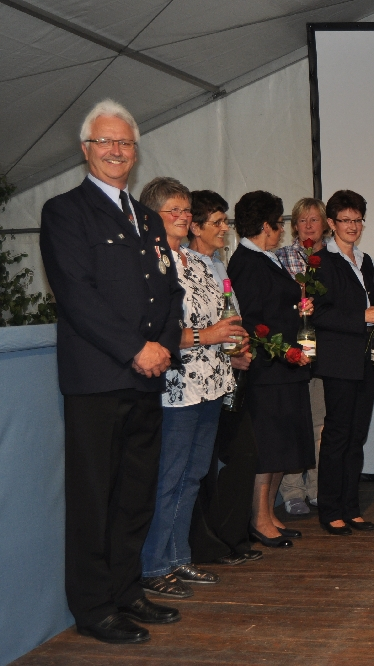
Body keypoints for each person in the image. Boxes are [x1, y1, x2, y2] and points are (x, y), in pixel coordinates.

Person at [39, 99, 184, 643]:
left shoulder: (146, 218)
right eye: (105, 141)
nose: (116, 151)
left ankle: (127, 591)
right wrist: (135, 349)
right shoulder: (64, 212)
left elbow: (169, 290)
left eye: (125, 142)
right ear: (86, 149)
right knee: (94, 498)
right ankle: (94, 607)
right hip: (99, 379)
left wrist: (162, 346)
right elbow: (77, 295)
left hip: (148, 376)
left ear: (135, 151)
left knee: (134, 495)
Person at [137, 178, 248, 599]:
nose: (184, 217)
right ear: (152, 217)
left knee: (195, 475)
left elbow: (222, 317)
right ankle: (153, 566)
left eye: (187, 210)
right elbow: (151, 332)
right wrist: (209, 336)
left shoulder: (198, 262)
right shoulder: (148, 263)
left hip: (212, 383)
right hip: (176, 387)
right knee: (169, 477)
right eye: (175, 210)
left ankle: (179, 557)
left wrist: (233, 343)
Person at [228, 191, 315, 547]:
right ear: (266, 225)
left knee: (283, 447)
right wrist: (285, 350)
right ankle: (259, 518)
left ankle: (268, 514)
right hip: (267, 371)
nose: (282, 231)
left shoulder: (265, 258)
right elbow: (251, 322)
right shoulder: (247, 262)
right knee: (268, 447)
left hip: (284, 368)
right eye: (279, 224)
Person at [186, 190, 262, 567]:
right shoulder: (184, 264)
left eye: (224, 221)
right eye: (216, 222)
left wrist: (239, 348)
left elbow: (230, 319)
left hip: (226, 377)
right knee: (198, 469)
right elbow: (192, 326)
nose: (224, 229)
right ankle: (205, 545)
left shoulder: (218, 265)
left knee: (243, 454)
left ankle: (232, 536)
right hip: (195, 382)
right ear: (195, 227)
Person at [312, 190, 374, 534]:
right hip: (338, 360)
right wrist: (363, 316)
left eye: (358, 220)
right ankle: (330, 510)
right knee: (337, 435)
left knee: (357, 435)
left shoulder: (364, 260)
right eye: (346, 220)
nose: (353, 226)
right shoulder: (321, 262)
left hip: (365, 358)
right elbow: (320, 314)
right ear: (331, 223)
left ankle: (351, 506)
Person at [276, 198, 330, 516]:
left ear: (325, 224)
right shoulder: (281, 257)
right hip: (294, 351)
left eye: (314, 219)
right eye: (302, 220)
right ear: (294, 226)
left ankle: (318, 489)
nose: (308, 226)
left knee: (321, 424)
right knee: (294, 422)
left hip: (326, 351)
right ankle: (293, 491)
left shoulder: (334, 258)